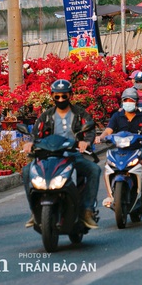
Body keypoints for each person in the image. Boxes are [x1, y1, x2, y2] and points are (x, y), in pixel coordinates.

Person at [23, 79, 100, 229]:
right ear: (52, 96)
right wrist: (30, 143)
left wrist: (86, 142)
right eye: (57, 96)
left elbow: (90, 130)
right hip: (48, 156)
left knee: (94, 170)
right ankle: (34, 211)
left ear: (70, 95)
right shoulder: (46, 116)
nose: (60, 99)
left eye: (64, 96)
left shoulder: (80, 113)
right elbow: (35, 134)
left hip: (73, 155)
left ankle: (87, 211)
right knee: (27, 171)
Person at [96, 88, 142, 211]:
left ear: (136, 102)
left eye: (131, 100)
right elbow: (108, 130)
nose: (128, 102)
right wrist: (101, 137)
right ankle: (110, 196)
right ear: (122, 102)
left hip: (138, 149)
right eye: (126, 100)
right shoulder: (117, 116)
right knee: (108, 165)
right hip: (120, 150)